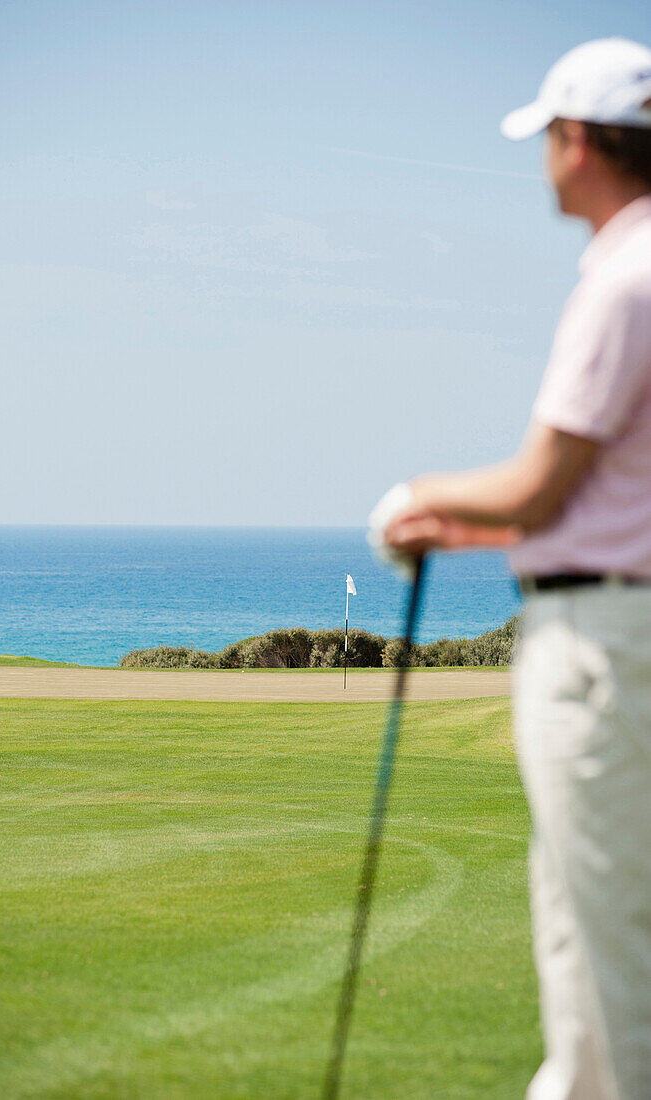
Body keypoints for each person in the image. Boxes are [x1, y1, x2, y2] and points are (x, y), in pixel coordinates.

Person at [368, 37, 651, 1100]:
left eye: (549, 140)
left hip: (602, 649)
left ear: (580, 142)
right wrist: (470, 530)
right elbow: (605, 502)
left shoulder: (625, 281)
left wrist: (415, 498)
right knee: (584, 920)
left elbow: (538, 484)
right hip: (622, 623)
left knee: (609, 943)